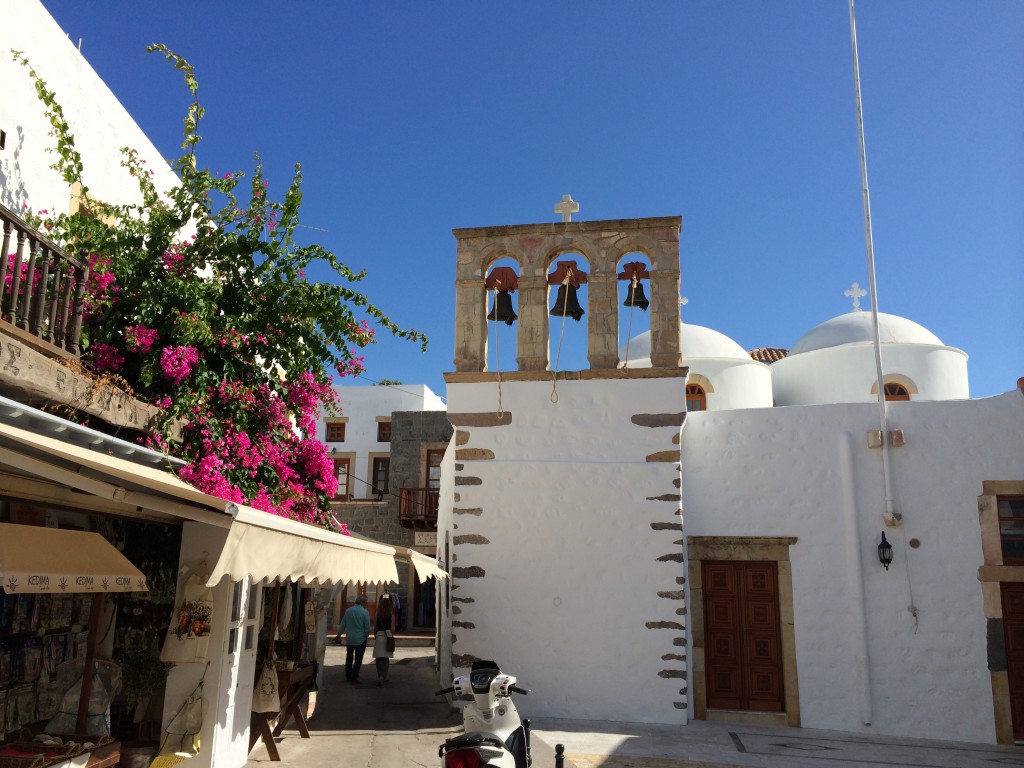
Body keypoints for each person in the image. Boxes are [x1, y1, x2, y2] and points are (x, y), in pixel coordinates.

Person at [336, 594, 371, 683]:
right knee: (358, 659)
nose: (367, 604)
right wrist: (366, 636)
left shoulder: (348, 611)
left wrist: (339, 634)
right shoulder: (365, 612)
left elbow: (343, 623)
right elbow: (367, 627)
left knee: (349, 657)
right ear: (362, 603)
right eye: (366, 602)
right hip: (361, 639)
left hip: (350, 638)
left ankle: (348, 675)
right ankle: (354, 676)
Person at [372, 594, 396, 686]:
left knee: (379, 659)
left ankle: (380, 676)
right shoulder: (391, 614)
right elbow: (393, 628)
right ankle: (384, 676)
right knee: (386, 659)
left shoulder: (378, 614)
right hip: (387, 636)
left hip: (379, 636)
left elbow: (375, 628)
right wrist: (391, 634)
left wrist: (376, 636)